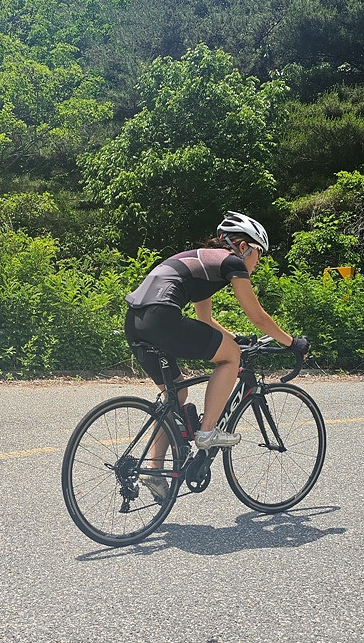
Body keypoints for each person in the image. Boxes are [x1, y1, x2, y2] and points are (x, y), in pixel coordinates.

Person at [124, 212, 309, 498]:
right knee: (231, 357)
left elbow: (205, 320)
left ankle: (154, 469)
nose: (258, 262)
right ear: (243, 246)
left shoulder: (203, 263)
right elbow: (258, 316)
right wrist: (292, 343)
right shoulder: (232, 262)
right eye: (259, 253)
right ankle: (207, 431)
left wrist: (234, 337)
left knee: (176, 395)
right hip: (162, 316)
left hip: (136, 322)